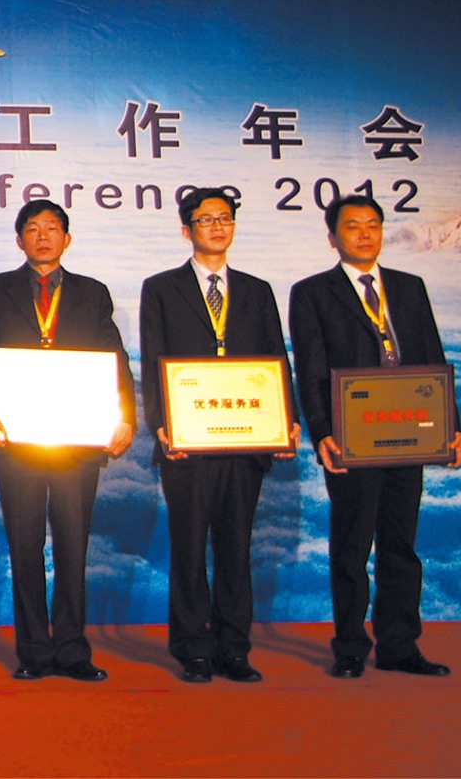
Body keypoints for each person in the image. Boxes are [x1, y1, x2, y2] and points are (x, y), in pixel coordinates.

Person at [288, 194, 461, 679]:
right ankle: (349, 647)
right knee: (351, 546)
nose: (365, 234)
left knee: (401, 546)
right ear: (332, 237)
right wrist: (323, 433)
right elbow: (310, 369)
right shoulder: (313, 292)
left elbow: (433, 358)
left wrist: (450, 426)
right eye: (352, 226)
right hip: (352, 438)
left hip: (411, 433)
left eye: (373, 225)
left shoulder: (409, 287)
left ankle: (399, 646)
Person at [0, 199, 135, 682]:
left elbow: (114, 357)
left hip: (76, 438)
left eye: (52, 228)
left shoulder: (91, 293)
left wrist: (124, 416)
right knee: (25, 545)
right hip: (16, 438)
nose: (43, 237)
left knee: (72, 545)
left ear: (67, 238)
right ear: (19, 240)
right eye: (33, 229)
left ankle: (73, 649)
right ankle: (34, 652)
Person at [138, 187, 298, 684]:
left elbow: (276, 358)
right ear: (186, 230)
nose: (217, 227)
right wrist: (161, 426)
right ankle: (193, 649)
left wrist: (286, 420)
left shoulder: (257, 290)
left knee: (236, 547)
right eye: (206, 219)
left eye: (224, 218)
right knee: (188, 548)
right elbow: (153, 358)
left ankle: (234, 648)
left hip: (246, 441)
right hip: (186, 443)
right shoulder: (161, 288)